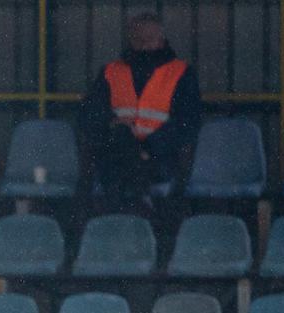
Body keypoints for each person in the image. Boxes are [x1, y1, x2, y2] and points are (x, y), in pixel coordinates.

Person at [80, 12, 201, 212]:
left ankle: (130, 205)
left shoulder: (181, 73)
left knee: (115, 180)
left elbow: (187, 123)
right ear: (130, 40)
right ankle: (140, 199)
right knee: (120, 142)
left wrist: (149, 147)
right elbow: (89, 114)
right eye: (138, 40)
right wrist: (112, 124)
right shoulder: (110, 71)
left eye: (149, 40)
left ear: (161, 40)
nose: (144, 46)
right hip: (118, 154)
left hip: (158, 158)